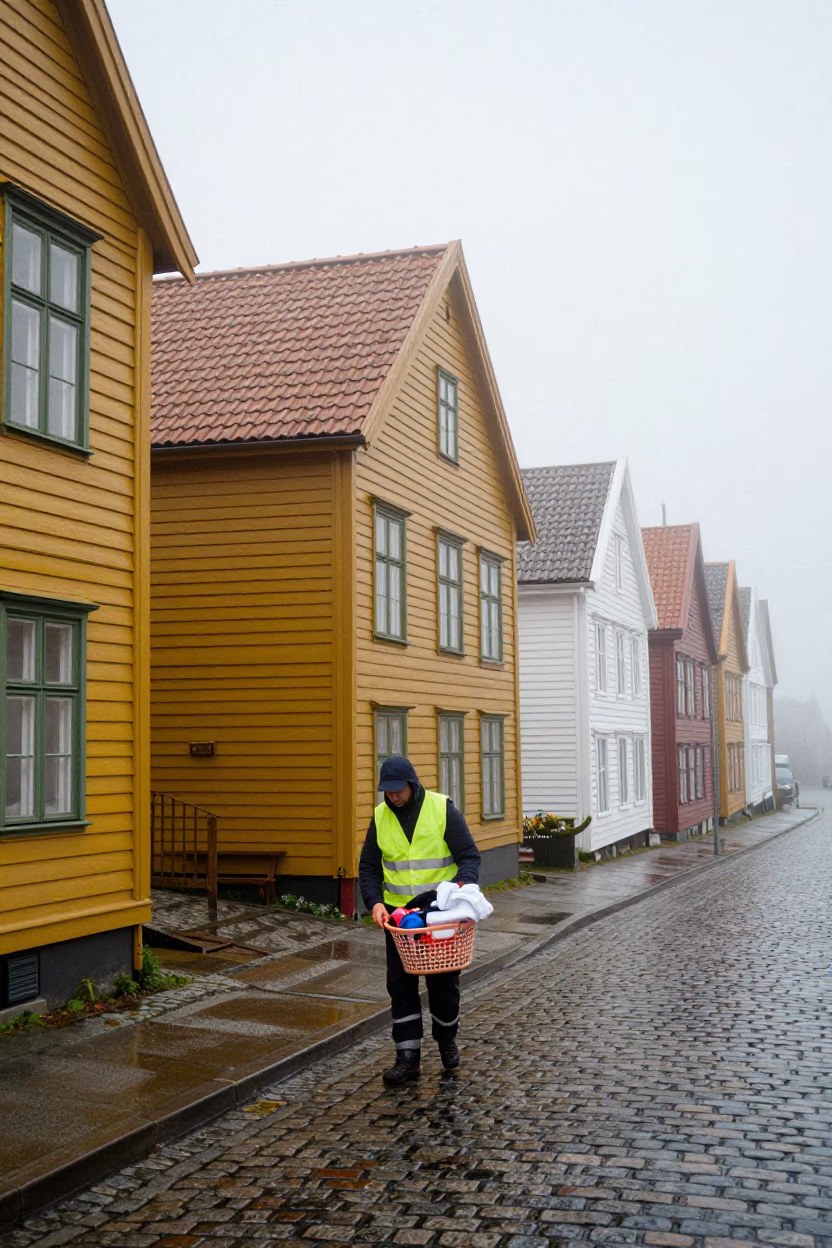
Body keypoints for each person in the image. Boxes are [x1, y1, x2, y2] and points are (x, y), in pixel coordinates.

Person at [359, 754, 481, 1087]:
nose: (393, 796)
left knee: (443, 984)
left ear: (412, 785)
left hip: (438, 917)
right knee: (400, 986)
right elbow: (368, 867)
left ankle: (446, 1041)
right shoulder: (380, 817)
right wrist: (375, 903)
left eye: (398, 790)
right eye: (388, 791)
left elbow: (469, 857)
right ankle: (407, 1058)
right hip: (399, 920)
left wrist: (461, 885)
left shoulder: (442, 810)